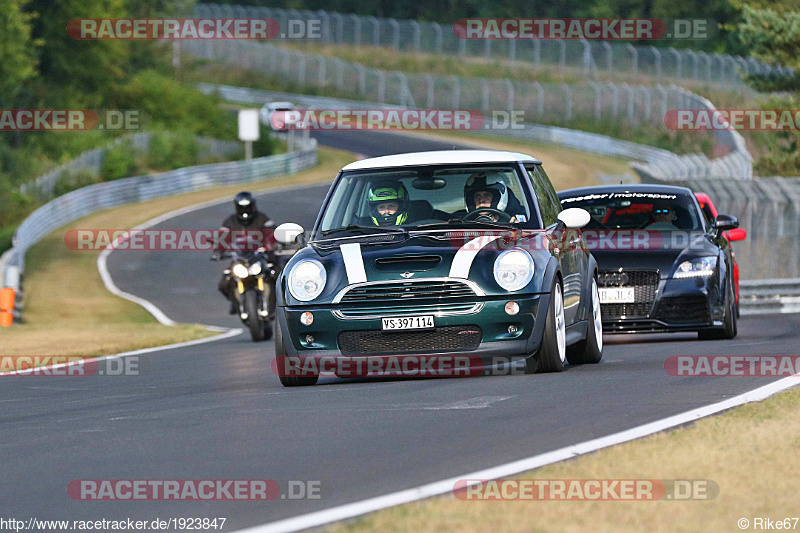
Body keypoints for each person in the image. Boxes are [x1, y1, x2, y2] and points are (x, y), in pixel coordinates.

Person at [213, 192, 276, 313]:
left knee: (277, 275)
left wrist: (273, 244)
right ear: (237, 207)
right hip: (239, 259)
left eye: (248, 207)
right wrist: (218, 252)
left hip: (260, 256)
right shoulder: (230, 222)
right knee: (223, 284)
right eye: (242, 208)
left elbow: (272, 231)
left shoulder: (261, 218)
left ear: (253, 206)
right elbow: (222, 238)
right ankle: (235, 302)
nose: (245, 210)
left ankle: (277, 306)